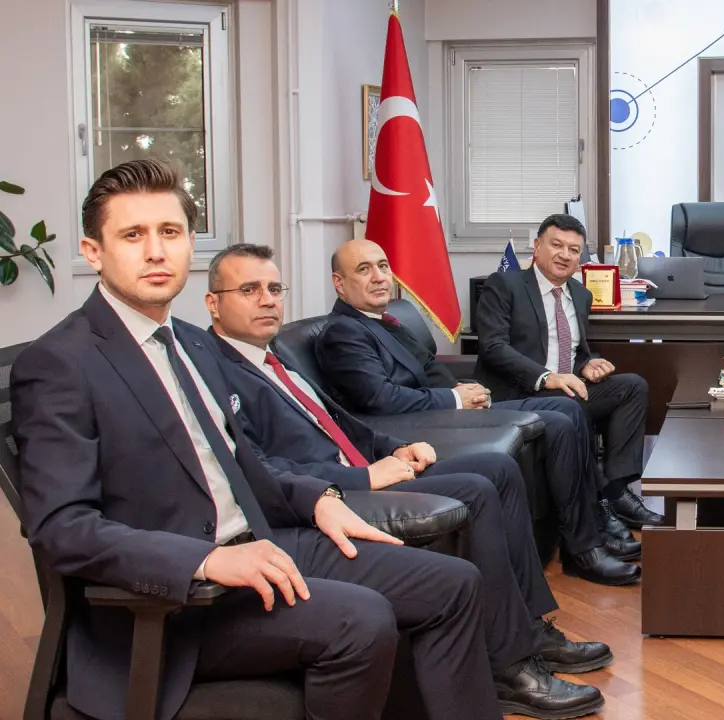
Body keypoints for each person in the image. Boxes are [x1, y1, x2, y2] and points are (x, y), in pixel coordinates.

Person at [10, 159, 505, 720]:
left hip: (264, 539)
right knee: (363, 621)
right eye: (132, 235)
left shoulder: (194, 344)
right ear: (93, 251)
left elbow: (241, 463)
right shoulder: (60, 363)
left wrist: (317, 499)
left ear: (189, 244)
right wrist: (206, 560)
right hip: (177, 598)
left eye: (169, 232)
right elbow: (63, 529)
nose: (155, 251)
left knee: (454, 583)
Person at [204, 243, 613, 717]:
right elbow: (258, 468)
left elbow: (339, 422)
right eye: (249, 290)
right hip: (334, 494)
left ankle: (528, 628)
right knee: (479, 490)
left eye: (275, 289)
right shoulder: (215, 372)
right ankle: (510, 667)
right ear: (213, 303)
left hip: (367, 465)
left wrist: (392, 447)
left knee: (498, 470)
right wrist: (362, 474)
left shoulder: (273, 357)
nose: (267, 300)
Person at [316, 239, 641, 586]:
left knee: (568, 409)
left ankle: (591, 527)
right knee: (560, 420)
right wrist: (454, 398)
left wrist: (467, 390)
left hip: (451, 409)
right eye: (364, 270)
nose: (379, 277)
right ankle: (585, 550)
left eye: (383, 266)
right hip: (421, 426)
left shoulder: (385, 321)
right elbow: (381, 399)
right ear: (339, 283)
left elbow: (429, 369)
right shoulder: (343, 332)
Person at [473, 214, 662, 532]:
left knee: (633, 386)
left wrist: (587, 364)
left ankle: (617, 490)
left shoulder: (580, 293)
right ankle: (601, 501)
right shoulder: (504, 285)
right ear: (537, 246)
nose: (565, 255)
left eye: (574, 250)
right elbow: (493, 348)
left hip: (564, 391)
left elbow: (571, 349)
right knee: (571, 406)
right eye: (556, 245)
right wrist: (547, 377)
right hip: (520, 394)